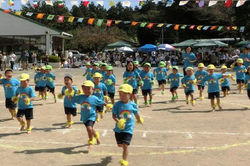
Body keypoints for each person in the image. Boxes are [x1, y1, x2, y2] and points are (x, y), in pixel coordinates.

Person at [112, 84, 143, 166]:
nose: (121, 96)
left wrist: (139, 119)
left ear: (130, 94)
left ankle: (124, 161)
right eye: (120, 94)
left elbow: (136, 113)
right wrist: (118, 121)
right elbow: (113, 115)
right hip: (118, 129)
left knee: (125, 145)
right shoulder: (117, 104)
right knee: (120, 145)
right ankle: (122, 148)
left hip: (128, 129)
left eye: (124, 94)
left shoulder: (133, 105)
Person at [71, 80, 105, 149]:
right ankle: (97, 137)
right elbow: (73, 99)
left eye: (88, 88)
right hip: (84, 117)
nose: (86, 90)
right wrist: (70, 93)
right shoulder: (80, 97)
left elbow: (101, 102)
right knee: (91, 129)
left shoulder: (94, 98)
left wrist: (109, 105)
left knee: (89, 128)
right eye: (84, 88)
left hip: (92, 116)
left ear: (92, 89)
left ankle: (91, 141)